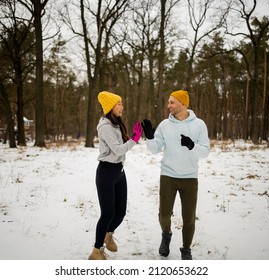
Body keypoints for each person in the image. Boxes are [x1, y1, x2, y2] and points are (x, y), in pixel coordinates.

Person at [141, 90, 210, 260]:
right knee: (164, 215)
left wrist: (192, 145)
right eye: (168, 102)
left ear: (183, 104)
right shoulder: (165, 125)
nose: (168, 105)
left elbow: (206, 152)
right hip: (168, 175)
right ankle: (166, 235)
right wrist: (150, 137)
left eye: (172, 102)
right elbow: (155, 149)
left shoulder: (199, 125)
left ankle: (186, 249)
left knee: (189, 218)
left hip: (190, 177)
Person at [89, 90, 143, 260]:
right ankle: (97, 250)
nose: (122, 106)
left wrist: (132, 136)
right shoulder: (105, 127)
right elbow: (118, 149)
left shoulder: (116, 124)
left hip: (119, 171)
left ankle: (108, 235)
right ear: (111, 107)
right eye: (119, 103)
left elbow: (121, 148)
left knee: (120, 212)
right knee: (107, 214)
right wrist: (134, 139)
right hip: (106, 173)